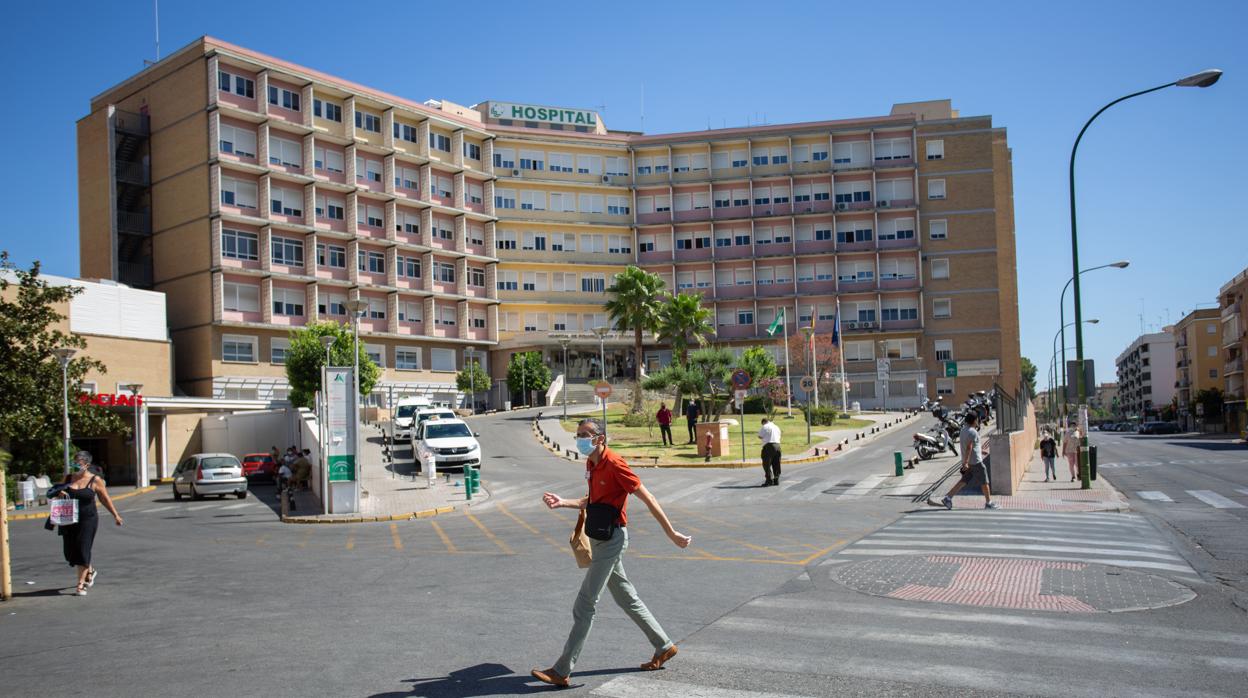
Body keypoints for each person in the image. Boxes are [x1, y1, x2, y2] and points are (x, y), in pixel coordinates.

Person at [531, 418, 692, 688]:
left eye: (586, 435)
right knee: (627, 598)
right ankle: (663, 646)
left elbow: (648, 497)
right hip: (600, 537)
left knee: (585, 603)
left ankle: (562, 670)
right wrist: (563, 502)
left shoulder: (615, 464)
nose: (580, 439)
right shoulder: (592, 464)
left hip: (613, 539)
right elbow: (591, 501)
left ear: (600, 438)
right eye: (578, 434)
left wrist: (671, 533)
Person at [56, 451, 123, 596]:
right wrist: (59, 493)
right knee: (69, 553)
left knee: (83, 548)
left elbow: (105, 499)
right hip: (69, 519)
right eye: (74, 461)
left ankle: (81, 585)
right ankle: (90, 569)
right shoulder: (68, 478)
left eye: (78, 461)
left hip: (88, 519)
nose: (75, 464)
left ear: (86, 464)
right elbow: (55, 493)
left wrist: (115, 515)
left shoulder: (95, 480)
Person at [928, 411, 998, 510]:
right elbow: (969, 447)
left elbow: (971, 446)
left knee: (963, 481)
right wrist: (966, 463)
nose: (978, 421)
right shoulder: (973, 432)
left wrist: (979, 452)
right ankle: (988, 503)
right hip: (976, 462)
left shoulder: (964, 430)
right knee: (985, 481)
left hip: (970, 462)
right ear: (974, 420)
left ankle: (948, 497)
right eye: (977, 419)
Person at [758, 417, 782, 486]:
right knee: (776, 463)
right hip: (778, 446)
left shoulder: (765, 426)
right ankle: (776, 479)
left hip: (768, 447)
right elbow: (779, 436)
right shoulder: (776, 427)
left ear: (763, 422)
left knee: (766, 464)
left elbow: (760, 436)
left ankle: (769, 480)